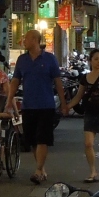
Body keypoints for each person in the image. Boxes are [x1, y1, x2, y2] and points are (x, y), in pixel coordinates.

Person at [7, 29, 68, 183]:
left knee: (42, 139)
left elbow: (58, 82)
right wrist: (9, 99)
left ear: (35, 40)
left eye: (26, 38)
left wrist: (63, 103)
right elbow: (15, 81)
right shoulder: (22, 60)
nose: (24, 41)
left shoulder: (49, 59)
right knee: (33, 140)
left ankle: (38, 170)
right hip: (28, 105)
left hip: (46, 105)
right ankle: (41, 169)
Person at [67, 48, 99, 182]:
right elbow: (79, 96)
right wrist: (67, 107)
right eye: (96, 59)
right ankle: (93, 172)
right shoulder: (85, 78)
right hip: (90, 113)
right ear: (90, 61)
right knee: (88, 144)